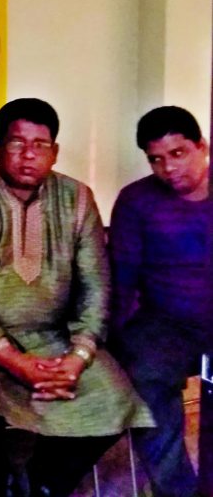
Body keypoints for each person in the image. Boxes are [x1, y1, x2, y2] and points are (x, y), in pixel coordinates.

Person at [0, 98, 153, 496]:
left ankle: (47, 481)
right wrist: (11, 357)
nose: (28, 156)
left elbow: (97, 286)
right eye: (17, 143)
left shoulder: (77, 199)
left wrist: (77, 357)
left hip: (57, 336)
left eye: (40, 145)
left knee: (115, 398)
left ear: (54, 151)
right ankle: (2, 482)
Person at [109, 106, 211, 497]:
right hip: (166, 324)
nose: (169, 168)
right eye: (156, 159)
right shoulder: (136, 201)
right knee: (146, 380)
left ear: (202, 147)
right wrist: (113, 340)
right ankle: (179, 490)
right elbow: (122, 279)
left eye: (178, 153)